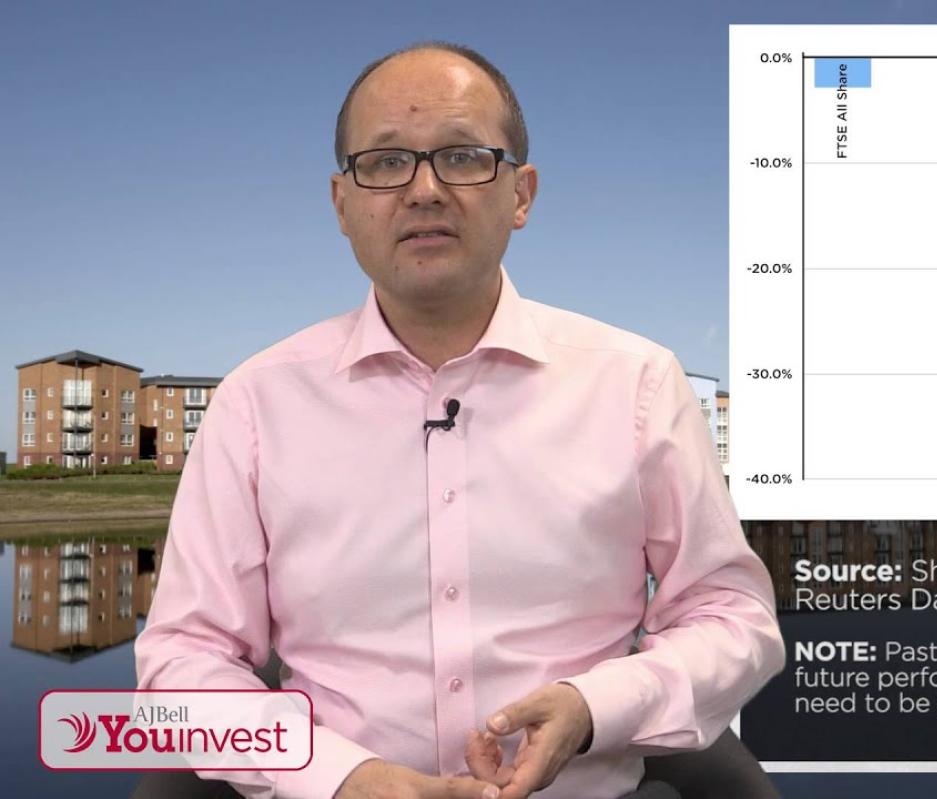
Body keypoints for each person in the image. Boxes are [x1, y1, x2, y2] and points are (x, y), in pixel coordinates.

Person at [134, 41, 784, 799]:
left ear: (521, 194)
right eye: (385, 162)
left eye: (463, 157)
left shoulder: (637, 383)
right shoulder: (255, 403)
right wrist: (338, 776)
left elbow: (733, 617)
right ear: (342, 204)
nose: (424, 190)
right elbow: (182, 658)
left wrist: (595, 707)